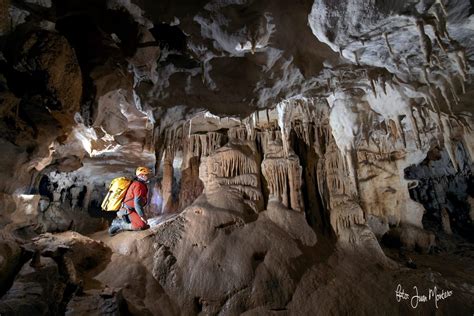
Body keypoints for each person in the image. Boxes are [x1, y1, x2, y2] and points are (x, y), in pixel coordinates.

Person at [108, 166, 151, 236]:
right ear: (141, 175)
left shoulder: (139, 184)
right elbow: (137, 203)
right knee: (141, 225)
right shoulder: (138, 185)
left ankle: (126, 222)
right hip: (127, 210)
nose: (148, 176)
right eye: (146, 174)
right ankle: (119, 224)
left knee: (145, 225)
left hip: (131, 209)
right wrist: (142, 216)